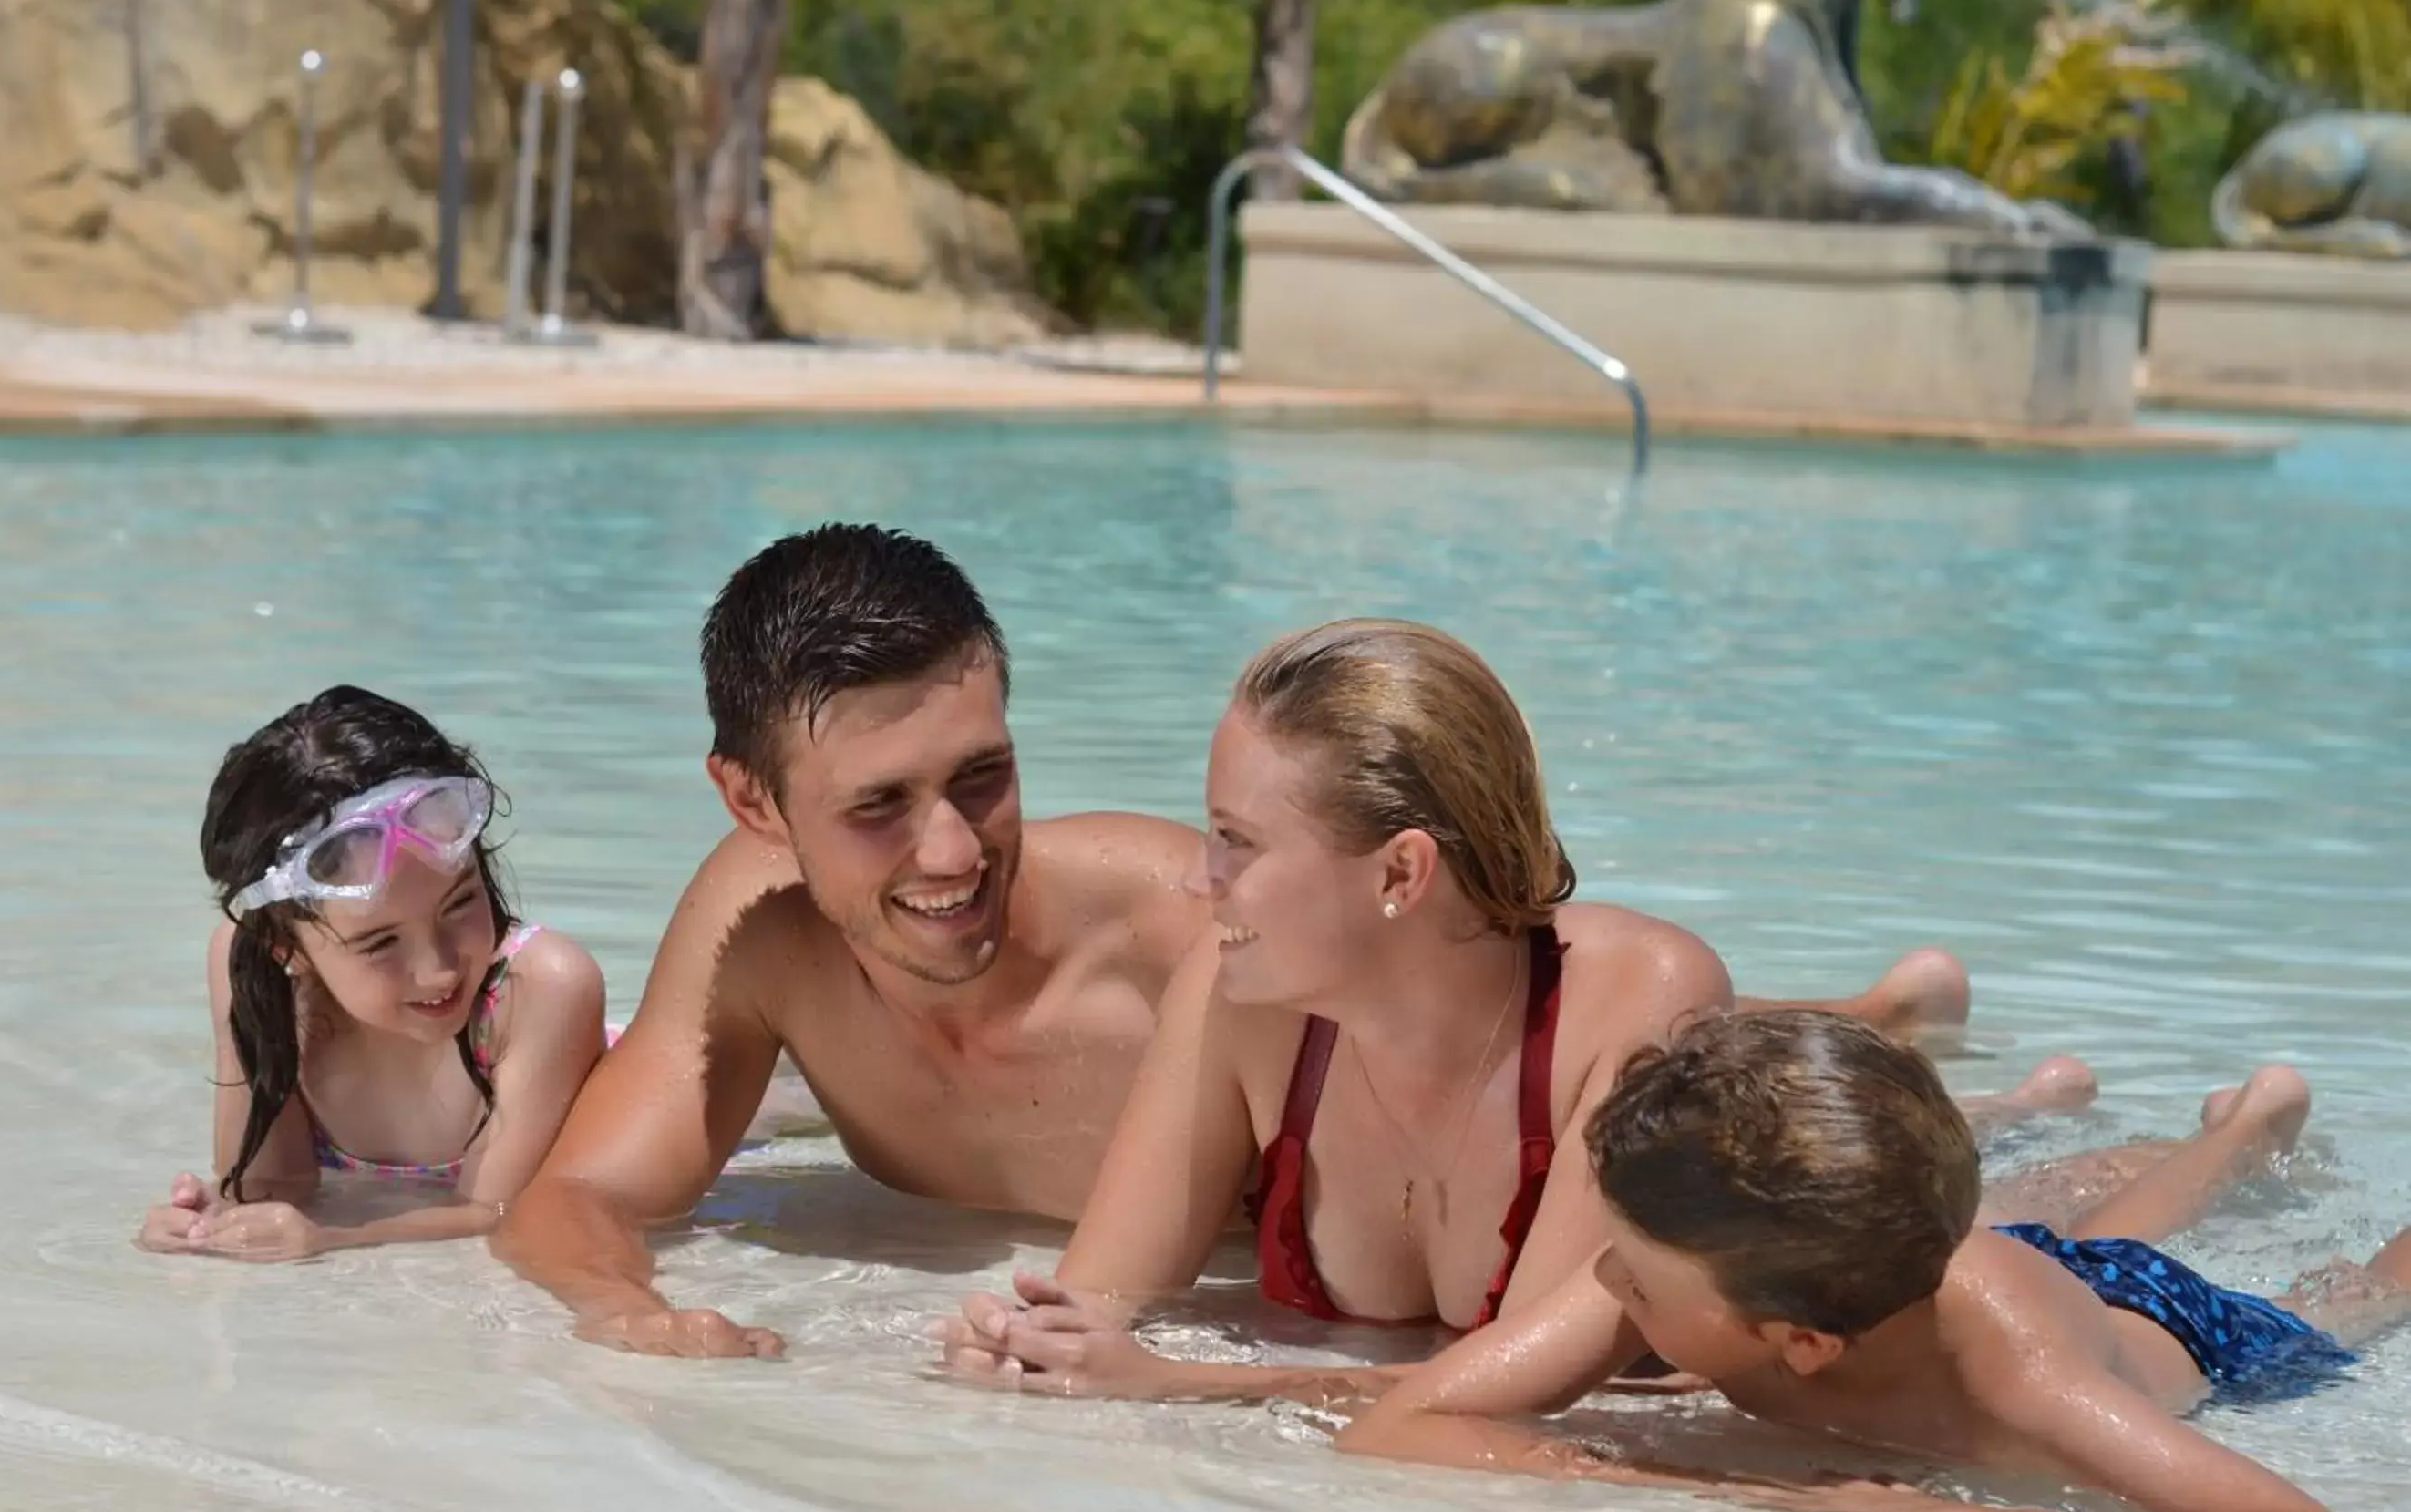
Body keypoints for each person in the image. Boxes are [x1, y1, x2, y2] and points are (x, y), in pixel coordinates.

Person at [496, 528, 2000, 1356]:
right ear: (753, 802)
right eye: (879, 807)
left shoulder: (1188, 929)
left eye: (984, 776)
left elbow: (1465, 987)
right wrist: (626, 1316)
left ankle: (1874, 1014)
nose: (952, 850)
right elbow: (575, 1200)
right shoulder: (760, 937)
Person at [937, 622, 2141, 1402]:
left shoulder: (1635, 999)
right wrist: (1025, 1351)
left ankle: (2207, 1133)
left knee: (2045, 1224)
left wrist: (1168, 1385)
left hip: (1847, 1255)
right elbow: (1098, 1300)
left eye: (1238, 843)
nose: (1202, 881)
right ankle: (1985, 1077)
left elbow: (1515, 1387)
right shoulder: (1243, 993)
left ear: (1402, 874)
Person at [1337, 1012, 2407, 1512]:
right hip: (1967, 1255)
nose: (1603, 1276)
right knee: (2085, 1234)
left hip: (2168, 1327)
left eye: (1635, 1270)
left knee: (2335, 1303)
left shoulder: (2023, 1385)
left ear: (1799, 1342)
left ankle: (2263, 1156)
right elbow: (1404, 1423)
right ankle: (2235, 1133)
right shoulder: (1683, 1250)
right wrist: (1675, 1482)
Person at [137, 687, 608, 1260]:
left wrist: (335, 1239)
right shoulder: (252, 969)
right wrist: (212, 1224)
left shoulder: (542, 988)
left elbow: (499, 1213)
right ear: (286, 945)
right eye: (380, 942)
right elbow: (271, 1186)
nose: (437, 971)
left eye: (459, 903)